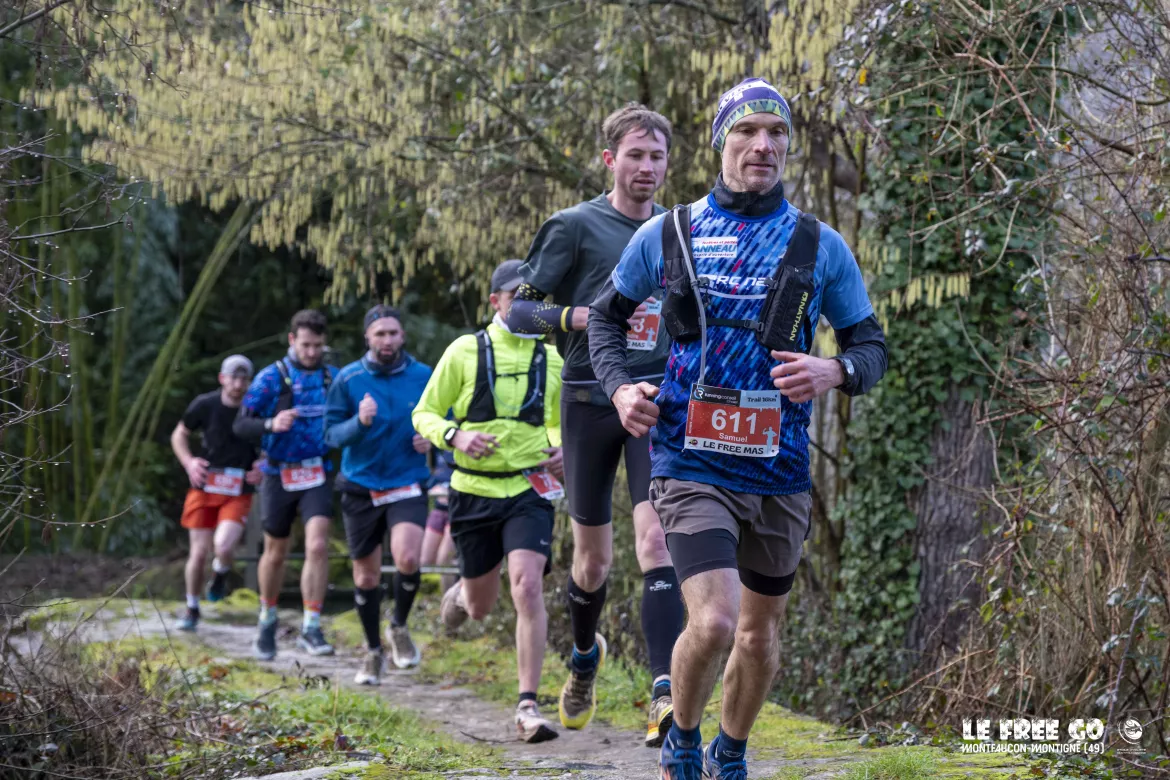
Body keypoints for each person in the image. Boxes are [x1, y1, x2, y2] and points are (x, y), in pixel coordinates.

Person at [587, 78, 889, 779]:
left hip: (779, 468)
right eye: (748, 131)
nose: (763, 145)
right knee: (717, 620)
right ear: (721, 140)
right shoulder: (669, 233)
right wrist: (621, 387)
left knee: (757, 635)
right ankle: (683, 737)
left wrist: (834, 371)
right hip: (690, 459)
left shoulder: (820, 245)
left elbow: (871, 347)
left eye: (777, 133)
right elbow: (604, 318)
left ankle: (731, 751)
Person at [505, 103, 684, 746]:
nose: (646, 167)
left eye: (657, 156)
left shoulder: (679, 231)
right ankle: (584, 658)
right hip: (587, 401)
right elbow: (518, 313)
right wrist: (581, 317)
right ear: (610, 159)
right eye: (635, 155)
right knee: (592, 562)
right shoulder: (574, 226)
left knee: (657, 542)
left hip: (655, 401)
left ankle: (663, 697)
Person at [413, 260, 566, 744]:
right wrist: (455, 436)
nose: (525, 307)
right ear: (495, 301)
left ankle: (528, 706)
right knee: (480, 607)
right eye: (516, 298)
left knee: (527, 586)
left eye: (534, 300)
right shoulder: (464, 350)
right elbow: (425, 414)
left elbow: (558, 421)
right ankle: (461, 594)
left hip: (528, 489)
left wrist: (562, 448)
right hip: (473, 490)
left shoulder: (553, 358)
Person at [324, 305, 433, 682]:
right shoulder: (348, 378)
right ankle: (373, 652)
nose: (387, 340)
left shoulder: (423, 375)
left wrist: (432, 438)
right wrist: (360, 421)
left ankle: (398, 626)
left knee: (408, 557)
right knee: (366, 577)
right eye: (380, 334)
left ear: (403, 336)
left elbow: (445, 417)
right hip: (361, 486)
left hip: (406, 481)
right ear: (367, 338)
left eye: (393, 333)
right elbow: (331, 434)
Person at [234, 310, 340, 661]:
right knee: (276, 551)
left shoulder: (333, 377)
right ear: (292, 339)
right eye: (306, 345)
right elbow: (241, 424)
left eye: (317, 346)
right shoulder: (271, 377)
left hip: (317, 472)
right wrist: (271, 424)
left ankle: (312, 625)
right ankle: (267, 618)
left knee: (318, 545)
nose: (311, 352)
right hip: (279, 473)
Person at [170, 355, 263, 631]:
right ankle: (192, 607)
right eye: (233, 378)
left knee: (223, 546)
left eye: (244, 379)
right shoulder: (205, 404)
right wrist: (189, 462)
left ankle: (221, 573)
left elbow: (272, 441)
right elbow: (179, 434)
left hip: (238, 488)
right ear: (222, 378)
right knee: (198, 553)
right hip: (205, 485)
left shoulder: (256, 408)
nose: (238, 384)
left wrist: (262, 464)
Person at [421, 449, 459, 594]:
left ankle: (448, 599)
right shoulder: (437, 448)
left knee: (444, 560)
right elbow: (433, 475)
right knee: (425, 560)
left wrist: (451, 492)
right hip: (438, 509)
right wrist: (432, 487)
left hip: (457, 512)